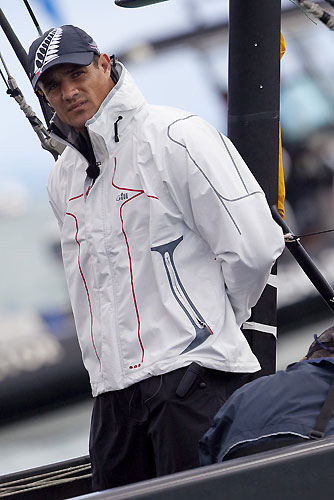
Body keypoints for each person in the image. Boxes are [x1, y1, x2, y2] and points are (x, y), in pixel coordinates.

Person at [28, 25, 284, 491]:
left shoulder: (175, 135)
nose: (69, 91)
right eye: (52, 84)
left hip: (192, 380)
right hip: (112, 398)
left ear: (104, 63)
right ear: (43, 93)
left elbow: (255, 247)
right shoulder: (62, 178)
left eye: (77, 74)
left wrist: (209, 322)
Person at [199, 325, 334, 465]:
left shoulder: (244, 393)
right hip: (312, 471)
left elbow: (207, 453)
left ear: (306, 358)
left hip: (239, 479)